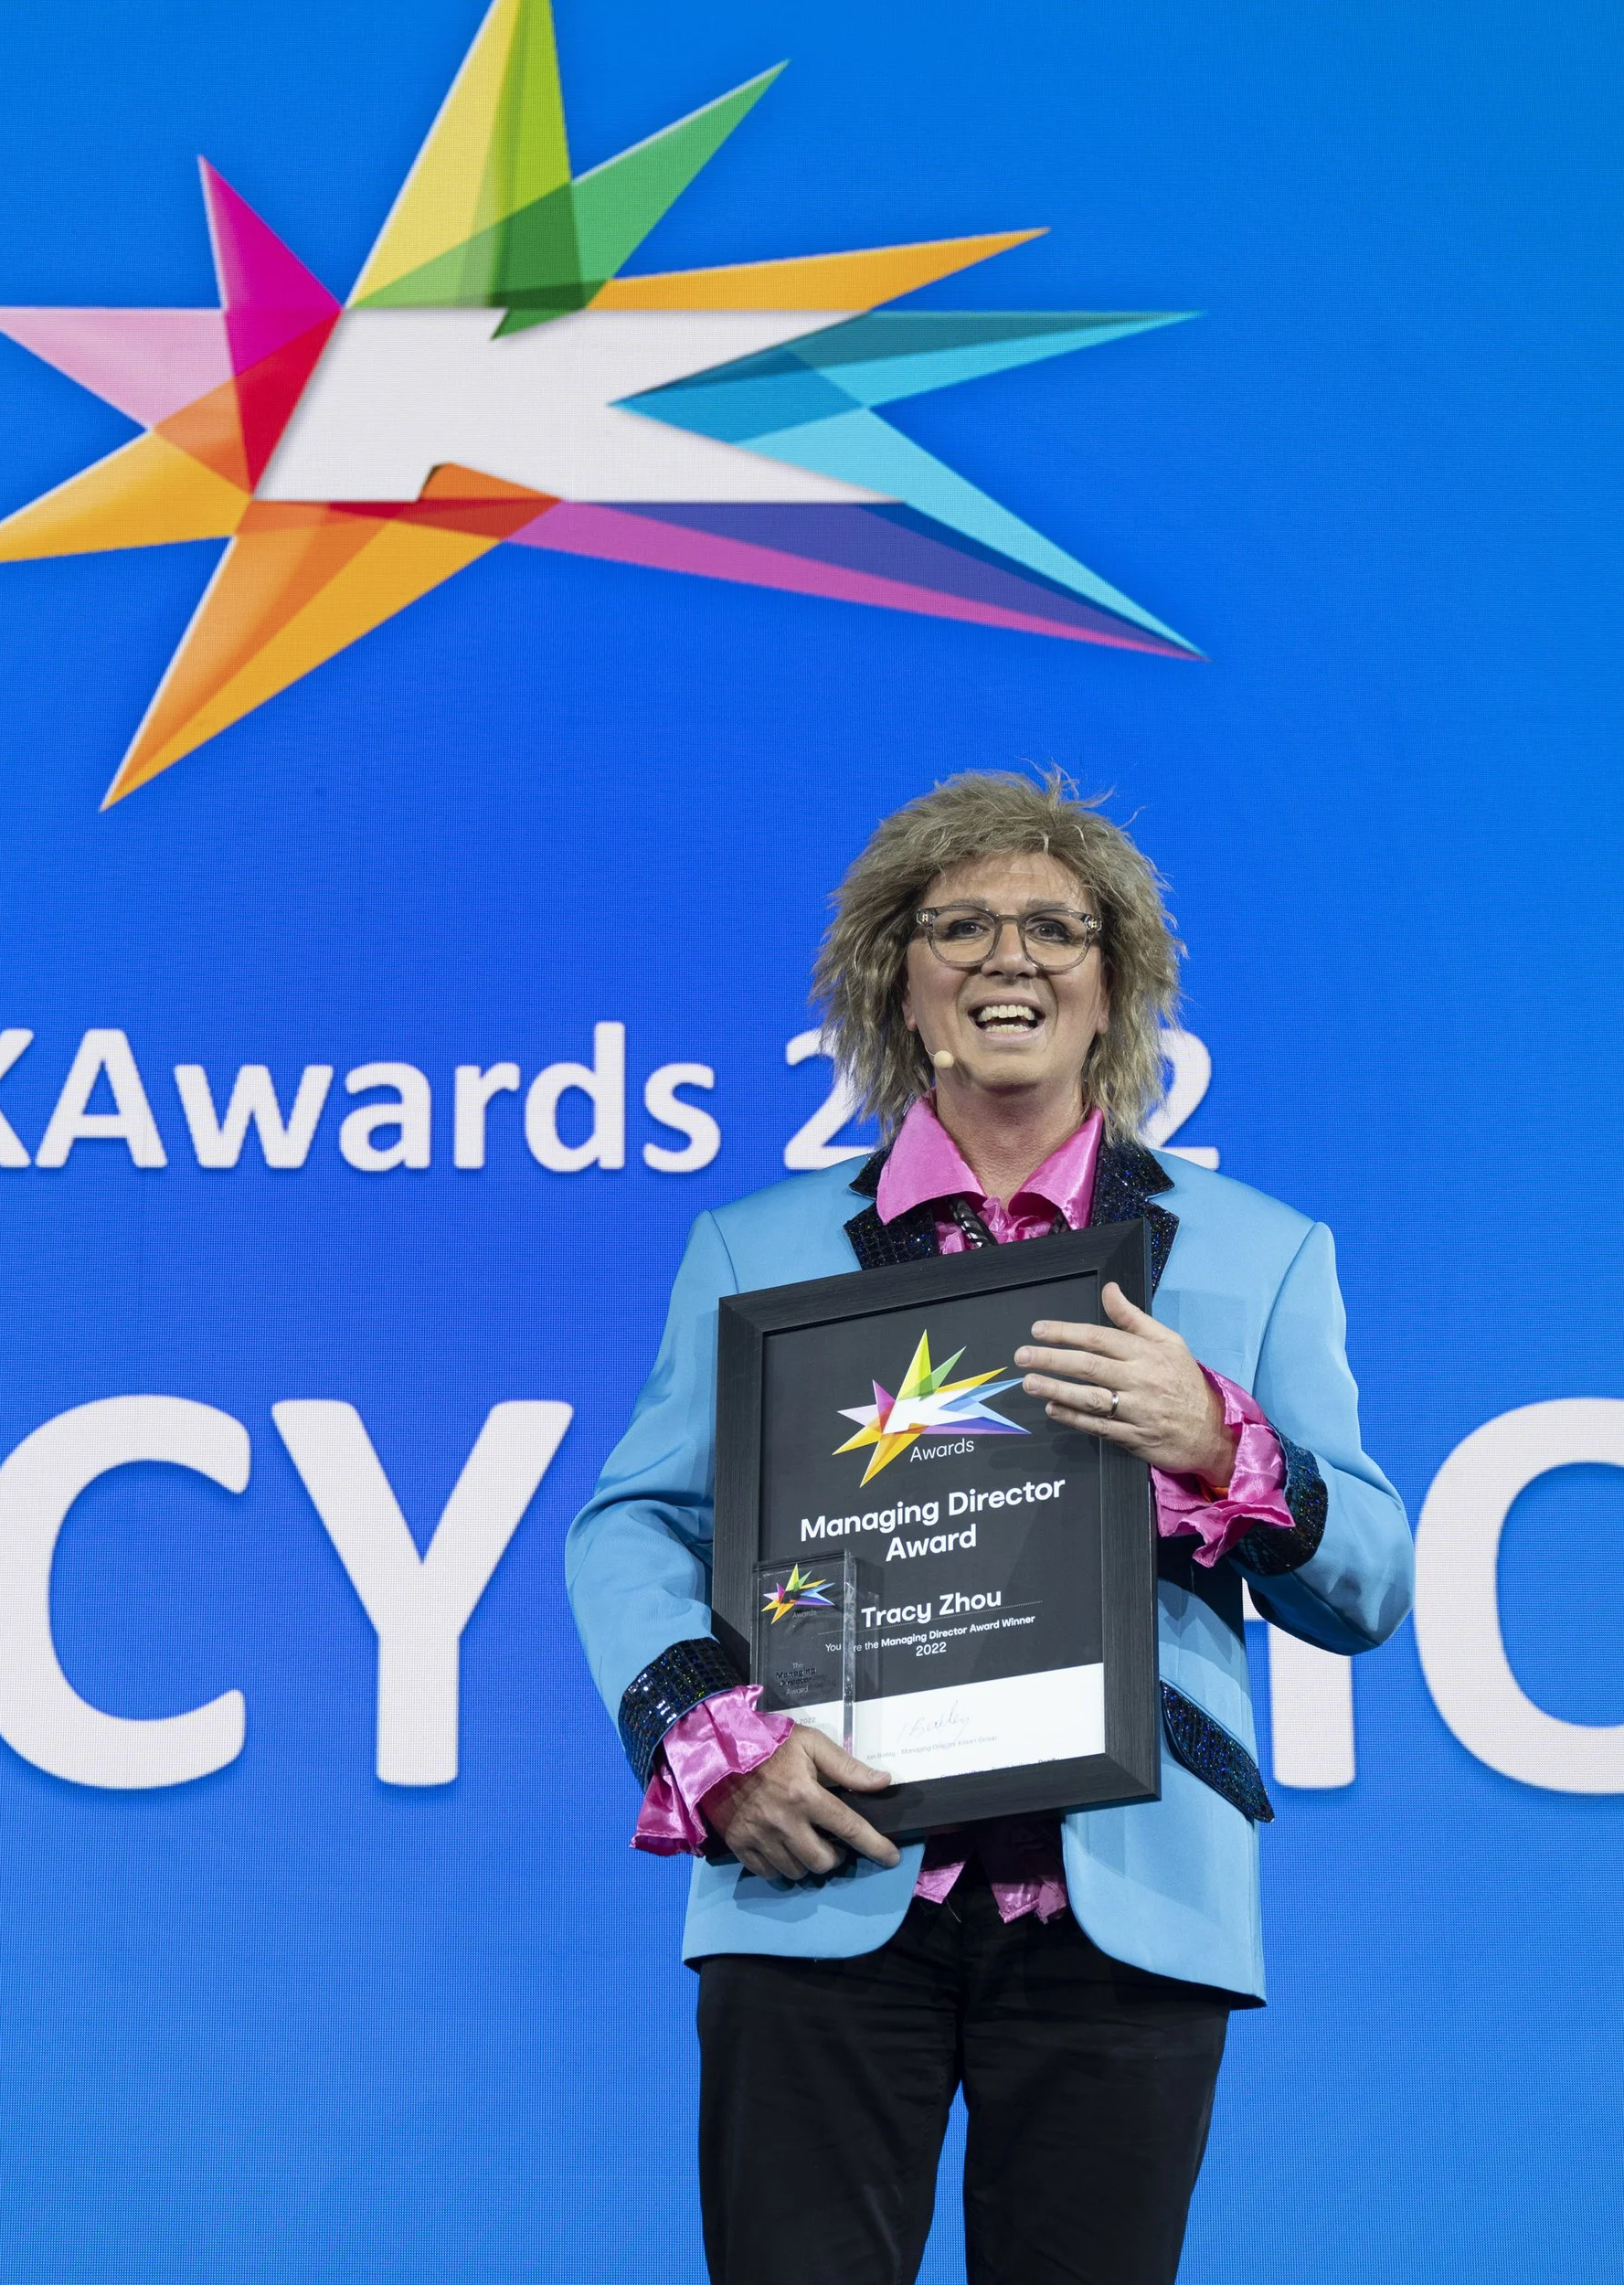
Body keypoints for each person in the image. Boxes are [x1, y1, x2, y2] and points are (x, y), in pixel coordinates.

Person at [566, 771, 1412, 2285]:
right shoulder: (756, 1248)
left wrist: (1221, 1441)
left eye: (1052, 928)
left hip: (1128, 1903)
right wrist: (719, 1745)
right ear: (900, 984)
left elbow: (1371, 1587)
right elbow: (634, 1524)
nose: (1007, 958)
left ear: (1116, 989)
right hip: (821, 1878)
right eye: (958, 926)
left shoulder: (1263, 1256)